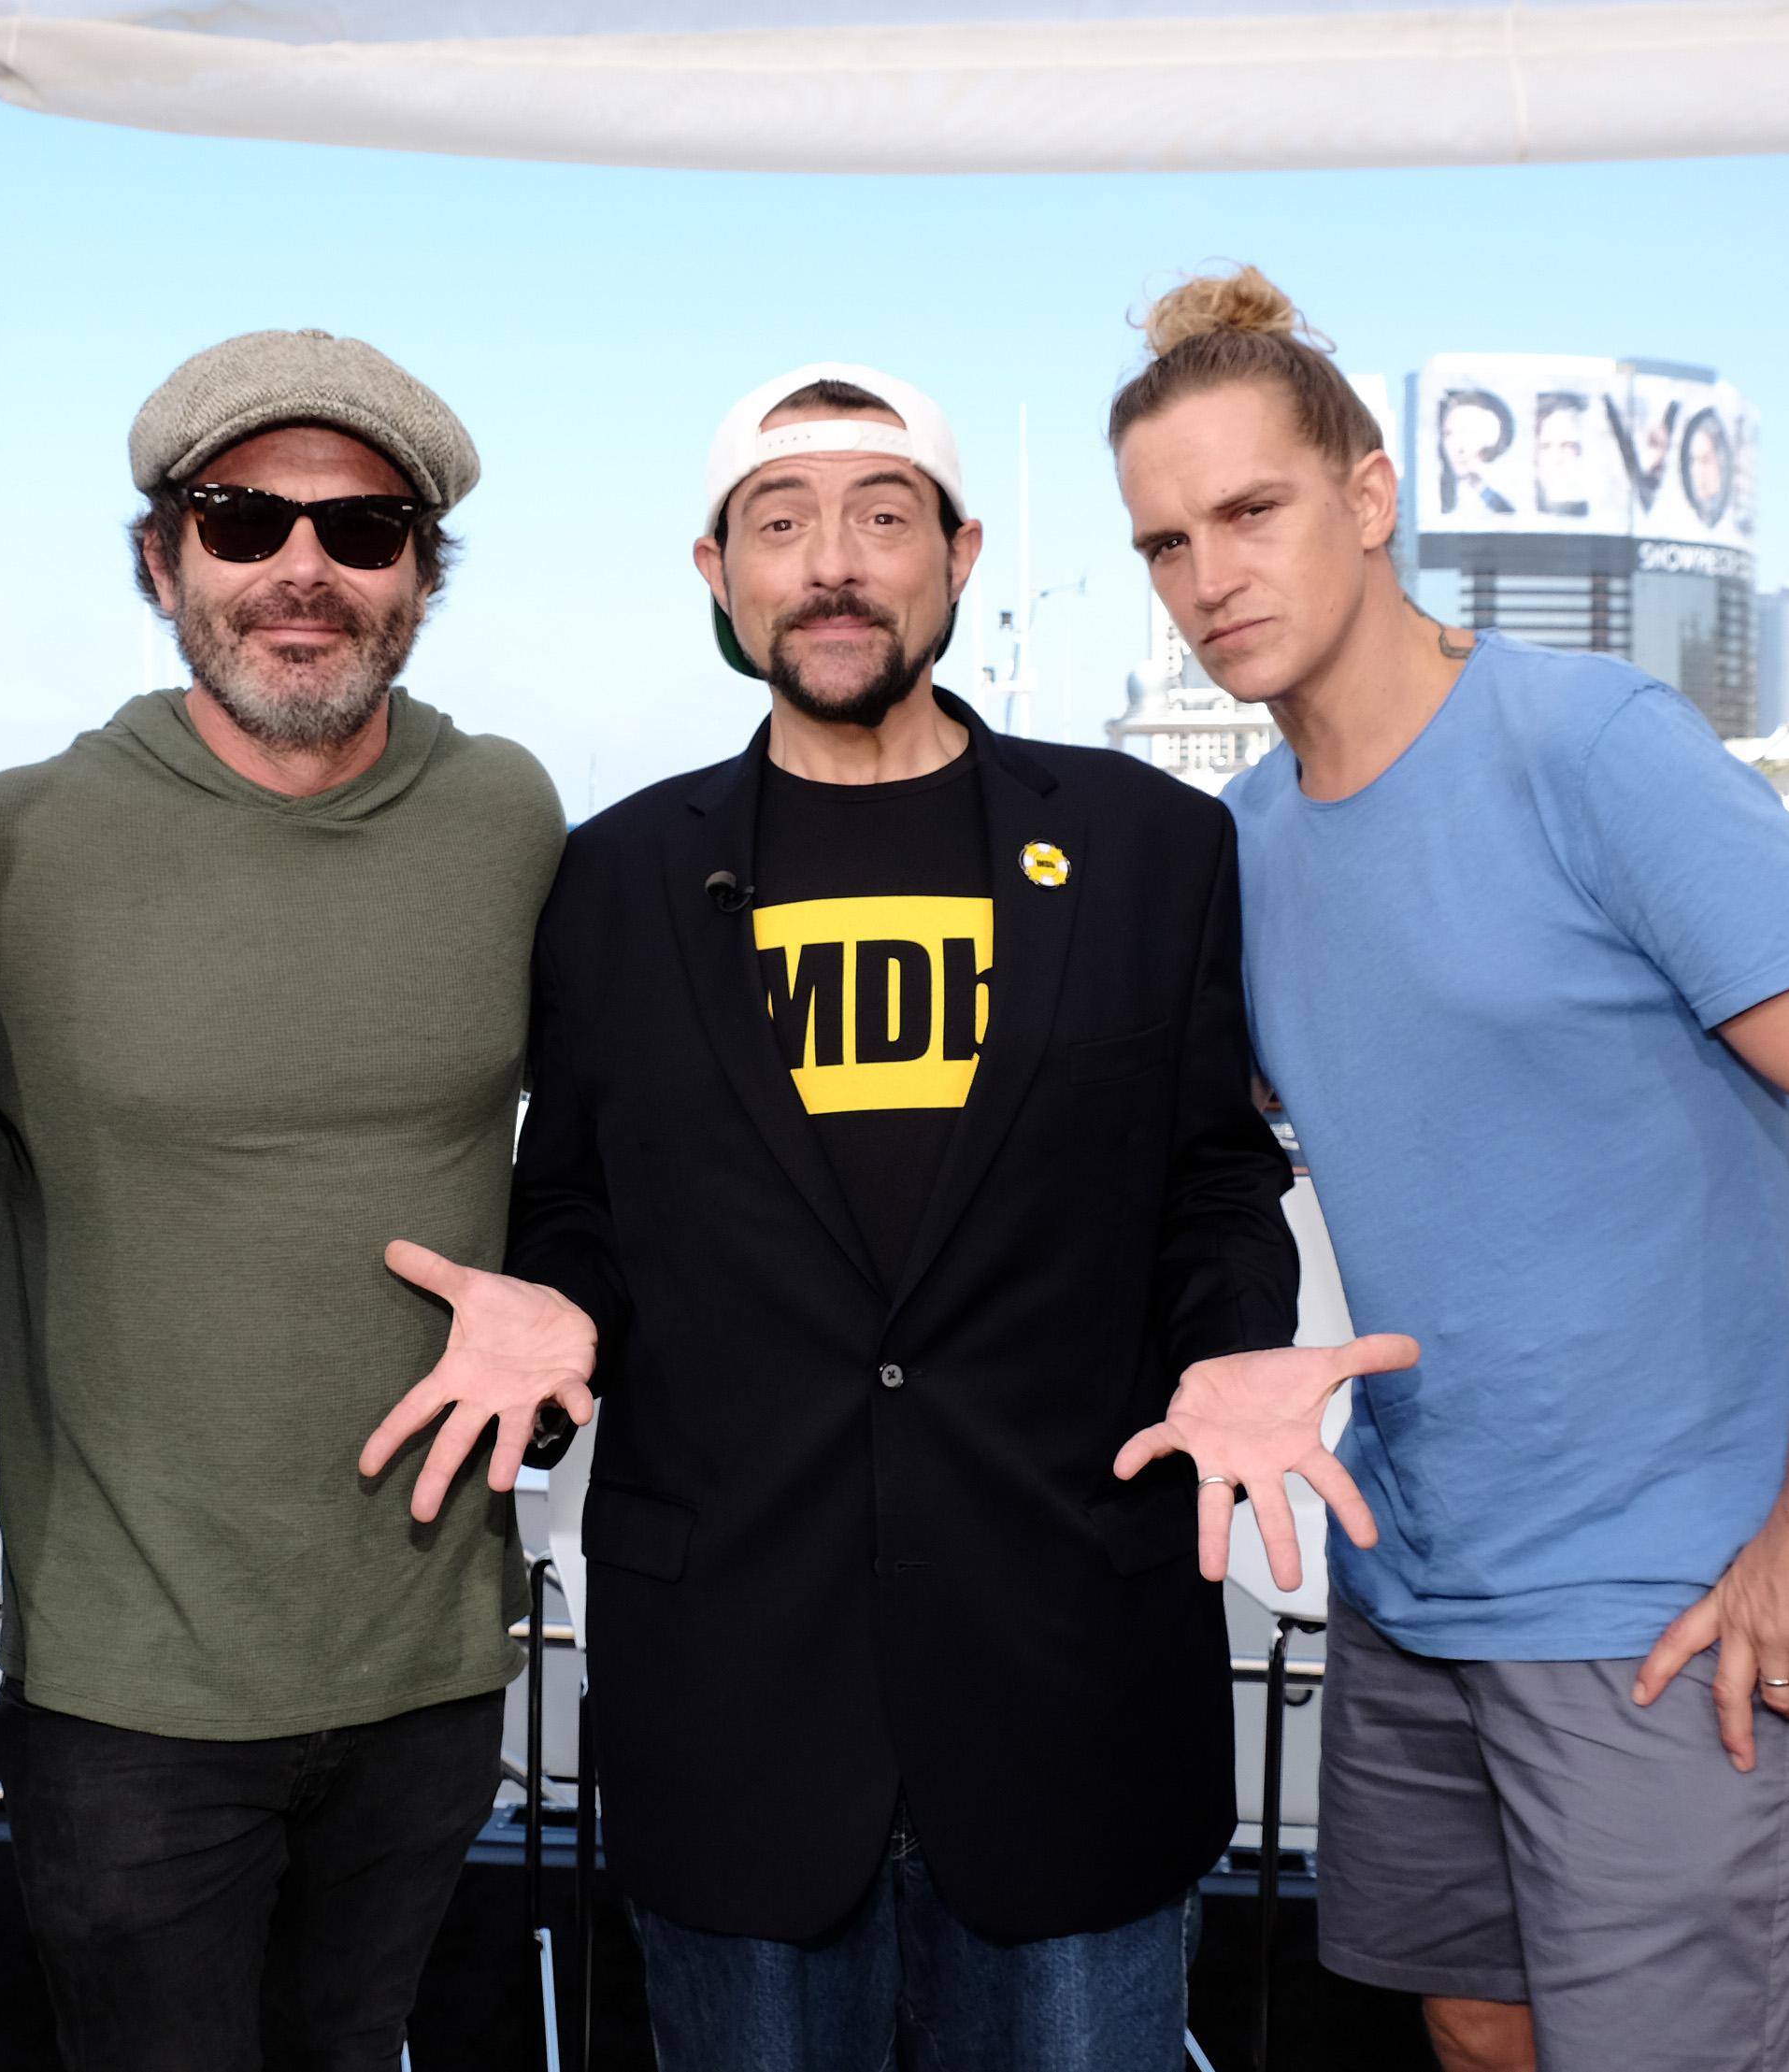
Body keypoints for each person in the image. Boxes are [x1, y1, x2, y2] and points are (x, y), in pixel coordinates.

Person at [370, 361, 1406, 2067]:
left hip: (1069, 1678)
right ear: (718, 573)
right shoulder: (616, 879)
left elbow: (1212, 1176)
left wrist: (1230, 1345)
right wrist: (562, 1295)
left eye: (880, 516)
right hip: (731, 1696)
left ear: (960, 552)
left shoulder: (1152, 849)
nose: (830, 561)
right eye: (779, 524)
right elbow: (583, 1200)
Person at [1110, 264, 1789, 2072]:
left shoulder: (1585, 745)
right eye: (1163, 542)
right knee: (1473, 2027)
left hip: (1670, 1598)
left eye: (1251, 512)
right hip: (1417, 1577)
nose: (1209, 577)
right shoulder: (1243, 842)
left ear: (1368, 499)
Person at [0, 328, 565, 2072]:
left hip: (433, 1656)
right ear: (161, 562)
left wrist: (564, 1284)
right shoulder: (9, 844)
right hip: (127, 1684)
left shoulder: (508, 815)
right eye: (239, 520)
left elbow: (619, 1146)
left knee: (359, 2049)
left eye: (363, 531)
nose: (302, 567)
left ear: (420, 581)